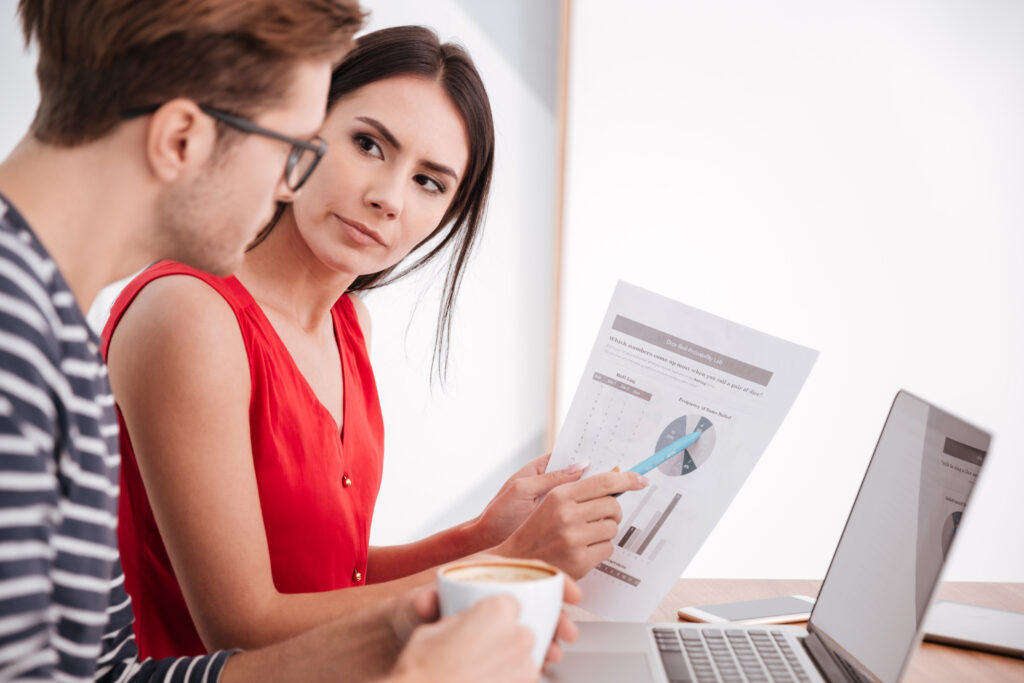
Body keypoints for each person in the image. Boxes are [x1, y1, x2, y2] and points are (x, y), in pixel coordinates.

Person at [0, 2, 577, 681]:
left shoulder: (56, 344)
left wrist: (405, 622)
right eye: (294, 146)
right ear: (182, 137)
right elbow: (237, 626)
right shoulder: (37, 339)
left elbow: (103, 673)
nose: (289, 181)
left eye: (428, 182)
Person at [102, 25, 648, 659]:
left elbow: (330, 584)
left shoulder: (348, 321)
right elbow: (241, 627)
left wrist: (477, 539)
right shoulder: (189, 314)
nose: (387, 198)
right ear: (306, 128)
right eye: (368, 144)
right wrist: (510, 562)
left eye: (429, 182)